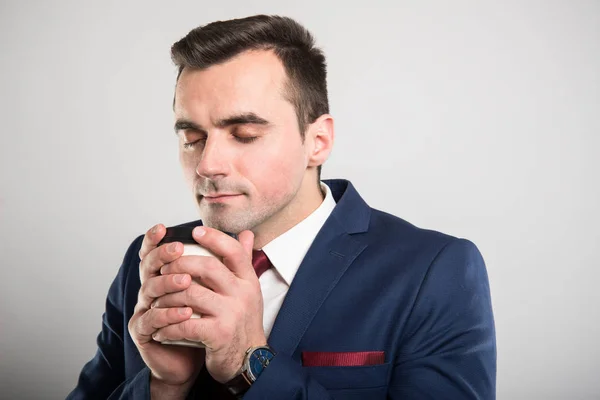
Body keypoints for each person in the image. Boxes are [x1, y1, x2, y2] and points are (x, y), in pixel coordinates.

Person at [68, 14, 496, 400]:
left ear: (318, 141)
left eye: (245, 133)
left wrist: (250, 363)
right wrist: (162, 387)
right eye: (192, 138)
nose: (207, 164)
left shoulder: (433, 271)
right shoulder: (149, 263)